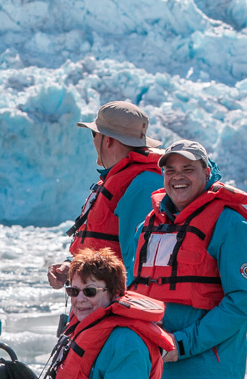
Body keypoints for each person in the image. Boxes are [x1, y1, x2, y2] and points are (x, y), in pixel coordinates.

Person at [131, 140, 247, 379]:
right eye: (170, 170)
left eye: (188, 169)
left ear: (207, 172)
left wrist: (184, 344)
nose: (178, 177)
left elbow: (242, 301)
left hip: (207, 371)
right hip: (159, 369)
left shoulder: (231, 225)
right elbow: (134, 294)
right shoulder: (149, 227)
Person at [32, 248, 171, 379]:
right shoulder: (87, 326)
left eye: (90, 291)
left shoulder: (126, 343)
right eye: (73, 291)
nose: (80, 299)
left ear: (114, 293)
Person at [50, 100, 164, 289]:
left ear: (108, 139)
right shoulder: (124, 178)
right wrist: (71, 266)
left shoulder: (142, 185)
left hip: (110, 306)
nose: (93, 140)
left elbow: (136, 264)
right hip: (95, 298)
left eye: (94, 134)